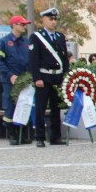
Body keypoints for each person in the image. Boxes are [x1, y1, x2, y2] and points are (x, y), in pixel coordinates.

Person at [29, 8, 70, 147]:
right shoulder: (36, 37)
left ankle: (55, 136)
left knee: (55, 108)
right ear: (43, 20)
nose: (53, 22)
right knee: (40, 108)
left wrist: (66, 74)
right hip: (43, 76)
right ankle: (39, 137)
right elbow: (33, 60)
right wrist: (37, 78)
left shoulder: (60, 37)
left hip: (57, 77)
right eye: (50, 19)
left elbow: (64, 58)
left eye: (55, 19)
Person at [0, 15, 30, 145]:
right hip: (10, 79)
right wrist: (10, 75)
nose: (24, 26)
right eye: (22, 24)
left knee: (24, 104)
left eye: (25, 24)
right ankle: (12, 134)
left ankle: (22, 133)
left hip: (25, 80)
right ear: (14, 25)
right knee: (10, 105)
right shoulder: (3, 42)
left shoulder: (26, 42)